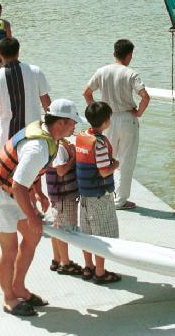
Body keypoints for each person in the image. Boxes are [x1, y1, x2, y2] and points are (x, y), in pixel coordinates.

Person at [0, 99, 82, 317]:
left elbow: (27, 173)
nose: (75, 127)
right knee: (10, 248)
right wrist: (33, 216)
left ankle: (19, 288)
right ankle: (9, 298)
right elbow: (18, 185)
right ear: (61, 123)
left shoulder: (49, 137)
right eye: (73, 122)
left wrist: (38, 193)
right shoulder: (37, 147)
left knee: (32, 238)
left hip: (16, 191)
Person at [82, 39, 150, 210]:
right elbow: (145, 96)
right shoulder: (130, 74)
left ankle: (103, 192)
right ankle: (120, 200)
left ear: (114, 54)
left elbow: (86, 92)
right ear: (129, 56)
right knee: (127, 160)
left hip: (107, 119)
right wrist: (139, 112)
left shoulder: (102, 71)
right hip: (127, 118)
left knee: (106, 158)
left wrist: (95, 111)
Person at [75, 101, 122, 284]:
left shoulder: (81, 136)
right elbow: (104, 171)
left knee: (86, 233)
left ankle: (88, 267)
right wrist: (115, 165)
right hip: (99, 195)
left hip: (85, 195)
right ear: (106, 121)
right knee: (101, 235)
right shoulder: (99, 144)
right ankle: (100, 272)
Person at [0, 37, 52, 154]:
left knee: (9, 171)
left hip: (8, 137)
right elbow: (46, 103)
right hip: (34, 134)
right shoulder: (36, 71)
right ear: (18, 52)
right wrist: (52, 129)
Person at [45, 137, 83, 276]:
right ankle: (65, 263)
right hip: (63, 195)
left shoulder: (55, 144)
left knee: (57, 226)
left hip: (58, 195)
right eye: (70, 123)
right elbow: (61, 171)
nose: (73, 127)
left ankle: (57, 259)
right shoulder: (60, 148)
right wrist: (73, 157)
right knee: (64, 228)